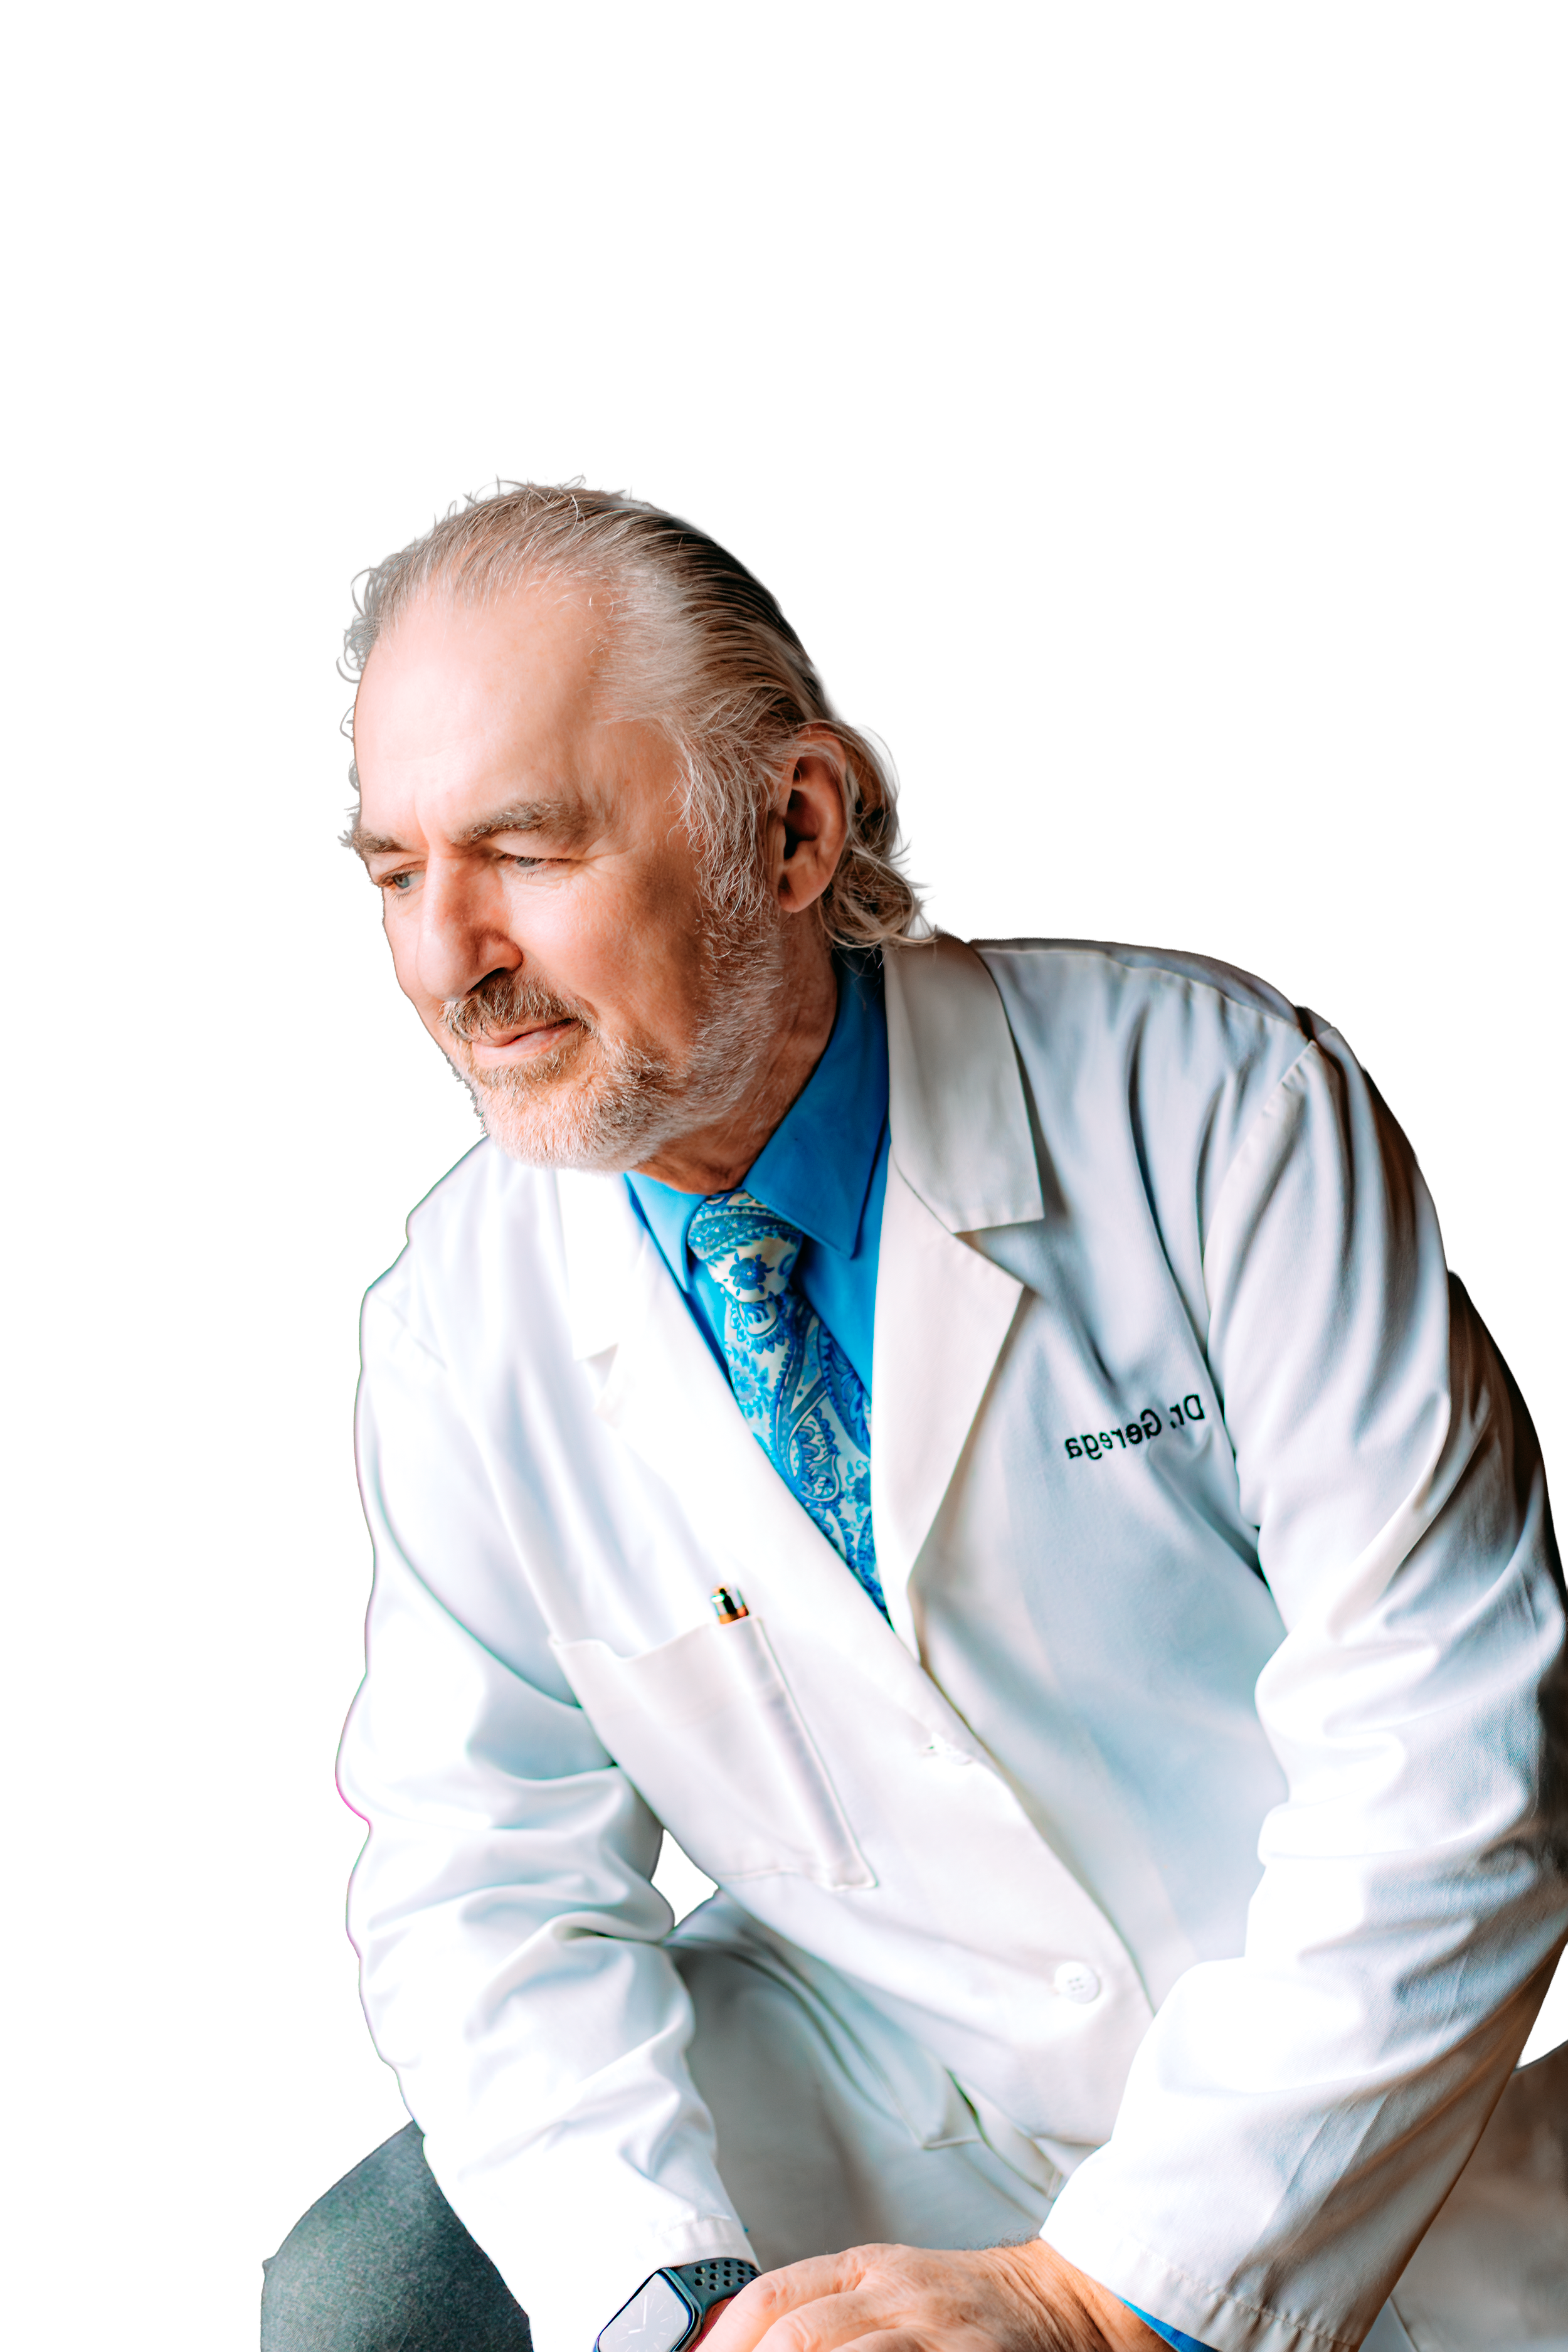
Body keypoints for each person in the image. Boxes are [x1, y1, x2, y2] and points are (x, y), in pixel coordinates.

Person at [262, 486, 1568, 2352]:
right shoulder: (463, 1321)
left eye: (524, 852)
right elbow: (486, 1872)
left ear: (789, 829)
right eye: (393, 870)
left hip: (1363, 2114)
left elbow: (1458, 1748)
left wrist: (1096, 2300)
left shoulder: (1212, 1114)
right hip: (896, 2092)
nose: (439, 958)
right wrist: (682, 2309)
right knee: (374, 2290)